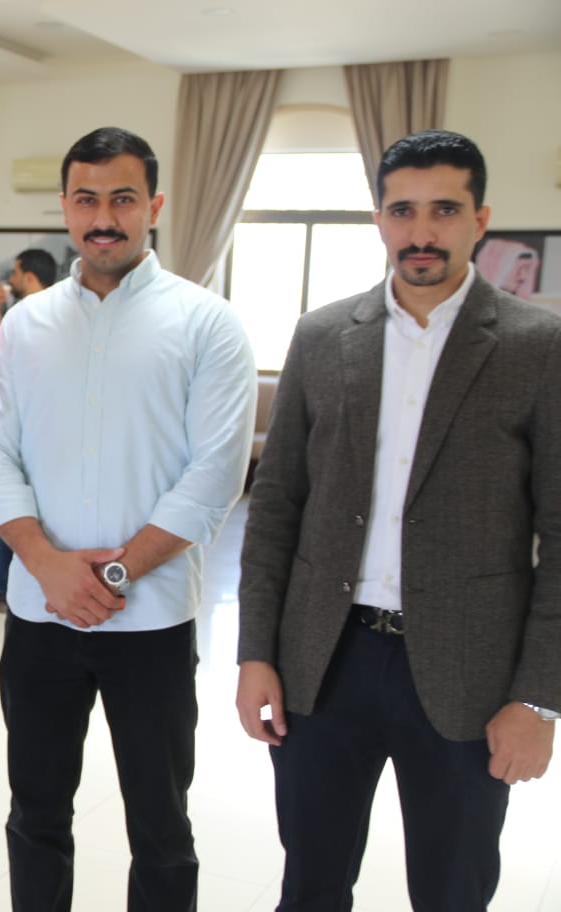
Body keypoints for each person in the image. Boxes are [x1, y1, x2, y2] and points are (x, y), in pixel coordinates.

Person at [237, 130, 561, 911]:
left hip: (468, 673)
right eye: (403, 210)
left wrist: (539, 698)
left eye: (444, 210)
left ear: (480, 219)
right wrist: (256, 653)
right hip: (325, 660)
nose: (422, 232)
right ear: (379, 218)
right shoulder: (322, 337)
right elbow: (276, 504)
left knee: (452, 893)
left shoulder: (538, 346)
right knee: (310, 886)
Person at [0, 126, 256, 912]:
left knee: (161, 827)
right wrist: (46, 565)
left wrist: (118, 572)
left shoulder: (207, 323)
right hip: (40, 616)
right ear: (66, 207)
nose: (104, 218)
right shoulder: (23, 327)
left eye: (123, 199)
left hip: (153, 620)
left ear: (154, 206)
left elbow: (215, 476)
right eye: (87, 199)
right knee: (35, 815)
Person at [0, 248, 57, 609]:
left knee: (25, 508)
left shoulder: (51, 317)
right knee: (3, 500)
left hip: (35, 428)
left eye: (16, 272)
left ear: (29, 276)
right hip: (10, 425)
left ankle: (14, 583)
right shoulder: (19, 316)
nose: (12, 279)